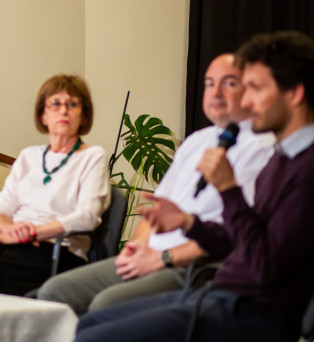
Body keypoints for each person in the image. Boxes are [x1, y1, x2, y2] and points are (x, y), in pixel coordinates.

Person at [76, 31, 314, 342]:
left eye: (255, 89)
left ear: (294, 93)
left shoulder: (306, 168)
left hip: (251, 313)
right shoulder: (283, 159)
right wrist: (188, 222)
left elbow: (265, 265)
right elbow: (240, 239)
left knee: (94, 337)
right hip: (220, 295)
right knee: (88, 324)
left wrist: (228, 190)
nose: (247, 100)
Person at [37, 54, 275, 313]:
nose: (215, 92)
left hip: (195, 267)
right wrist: (137, 246)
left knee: (106, 305)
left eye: (228, 83)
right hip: (150, 254)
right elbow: (157, 211)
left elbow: (236, 234)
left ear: (249, 90)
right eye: (209, 83)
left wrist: (161, 258)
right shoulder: (197, 140)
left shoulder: (264, 149)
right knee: (55, 291)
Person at [0, 74, 110, 296]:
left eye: (72, 104)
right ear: (43, 115)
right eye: (55, 104)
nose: (63, 110)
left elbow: (87, 216)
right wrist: (9, 230)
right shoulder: (29, 156)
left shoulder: (93, 156)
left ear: (84, 116)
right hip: (14, 242)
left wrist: (32, 233)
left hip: (59, 250)